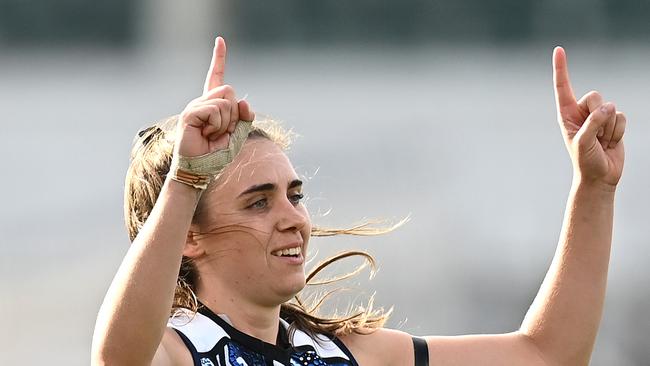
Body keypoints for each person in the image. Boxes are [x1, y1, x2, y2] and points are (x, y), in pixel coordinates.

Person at [91, 37, 627, 366]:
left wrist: (593, 190)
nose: (293, 219)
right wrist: (185, 180)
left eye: (294, 195)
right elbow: (118, 359)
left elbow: (547, 355)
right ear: (189, 234)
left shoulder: (353, 355)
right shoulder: (175, 352)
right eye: (258, 203)